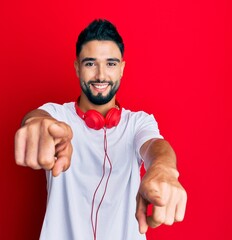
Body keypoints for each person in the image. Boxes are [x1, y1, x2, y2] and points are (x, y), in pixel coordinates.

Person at [14, 19, 187, 240]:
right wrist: (35, 124)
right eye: (90, 64)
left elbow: (155, 146)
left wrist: (164, 167)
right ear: (77, 67)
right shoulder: (57, 116)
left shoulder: (138, 123)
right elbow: (38, 118)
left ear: (122, 68)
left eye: (111, 64)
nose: (101, 75)